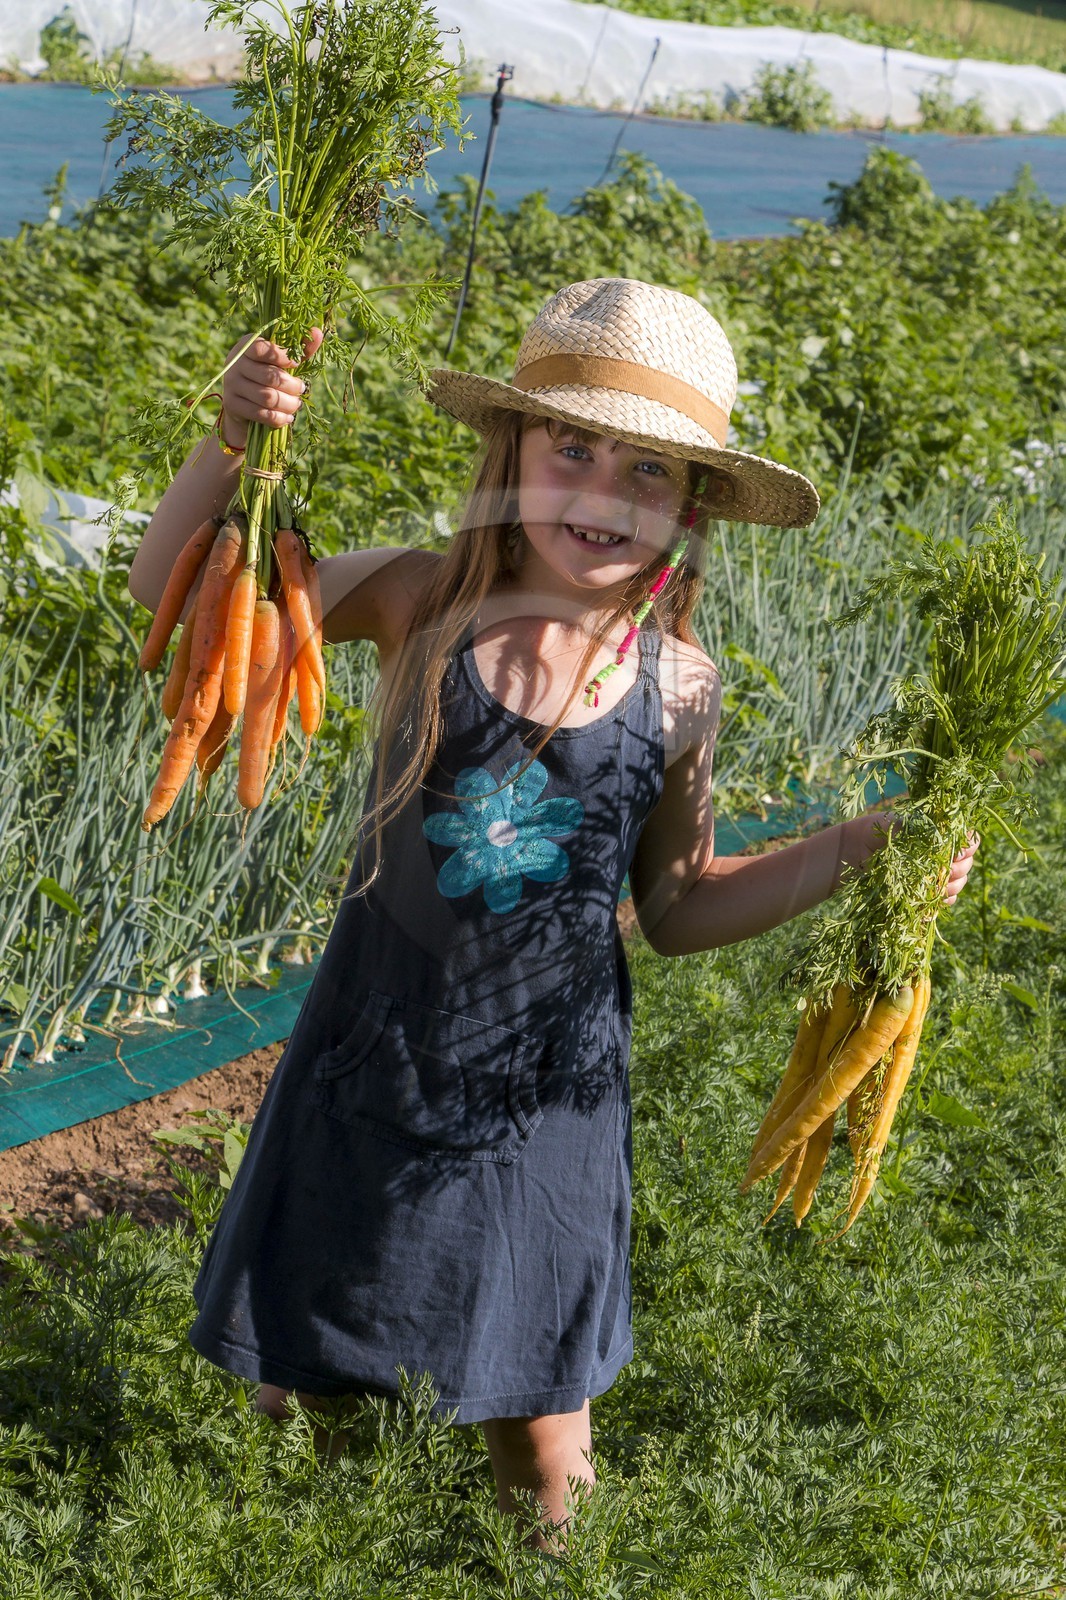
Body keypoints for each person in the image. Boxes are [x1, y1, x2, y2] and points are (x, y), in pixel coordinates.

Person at [127, 277, 978, 1548]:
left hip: (546, 1099)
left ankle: (550, 1570)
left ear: (689, 510)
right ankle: (283, 1557)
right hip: (370, 1059)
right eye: (569, 446)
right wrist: (235, 438)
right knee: (300, 1389)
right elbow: (174, 592)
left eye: (646, 470)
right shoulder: (417, 601)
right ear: (510, 453)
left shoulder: (680, 686)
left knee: (541, 1434)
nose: (599, 491)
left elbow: (679, 905)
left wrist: (859, 847)